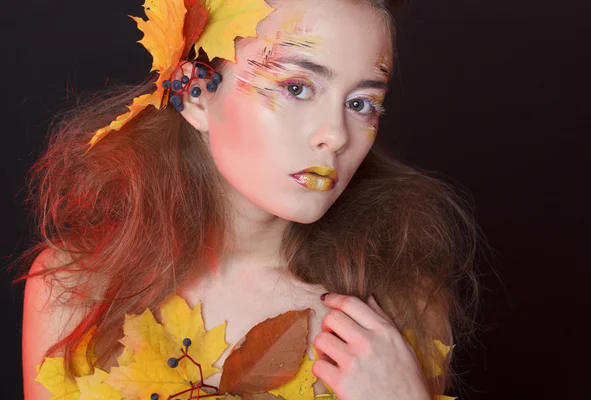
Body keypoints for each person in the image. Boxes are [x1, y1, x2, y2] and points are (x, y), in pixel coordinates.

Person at [18, 0, 481, 398]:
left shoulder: (404, 304)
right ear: (196, 94)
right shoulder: (76, 293)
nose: (335, 136)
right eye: (296, 87)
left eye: (360, 104)